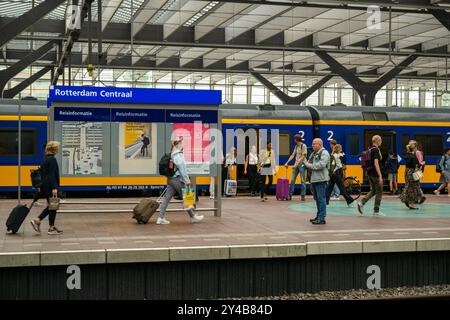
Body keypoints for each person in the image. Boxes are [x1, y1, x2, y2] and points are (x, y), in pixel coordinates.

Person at [157, 139, 204, 225]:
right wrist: (187, 180)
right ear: (178, 144)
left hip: (171, 179)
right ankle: (193, 217)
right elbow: (182, 169)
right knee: (187, 196)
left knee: (167, 198)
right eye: (181, 143)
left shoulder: (172, 153)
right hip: (177, 179)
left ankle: (160, 218)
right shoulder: (178, 154)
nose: (183, 144)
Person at [30, 141, 63, 235]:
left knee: (53, 206)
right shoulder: (52, 159)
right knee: (53, 206)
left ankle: (51, 226)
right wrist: (54, 187)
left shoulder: (45, 158)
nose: (58, 149)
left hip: (45, 185)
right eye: (57, 147)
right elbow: (51, 175)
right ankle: (38, 220)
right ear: (54, 149)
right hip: (50, 186)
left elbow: (44, 174)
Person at [304, 138, 330, 225]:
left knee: (321, 199)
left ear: (320, 144)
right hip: (315, 179)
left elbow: (321, 165)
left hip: (321, 179)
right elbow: (308, 162)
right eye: (313, 143)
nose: (313, 145)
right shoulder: (314, 153)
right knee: (317, 199)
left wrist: (308, 165)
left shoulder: (324, 153)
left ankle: (321, 218)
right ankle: (319, 216)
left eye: (314, 143)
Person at [357, 135, 384, 216]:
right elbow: (376, 163)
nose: (381, 142)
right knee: (379, 192)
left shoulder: (370, 149)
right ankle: (376, 211)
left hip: (369, 173)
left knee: (373, 190)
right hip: (375, 174)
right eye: (380, 141)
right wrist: (380, 176)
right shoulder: (375, 150)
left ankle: (362, 202)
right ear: (377, 141)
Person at [284, 134, 307, 201]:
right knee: (292, 179)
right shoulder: (296, 146)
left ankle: (303, 195)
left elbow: (303, 157)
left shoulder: (303, 146)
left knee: (302, 180)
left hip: (302, 164)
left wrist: (296, 164)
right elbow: (292, 155)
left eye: (294, 139)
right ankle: (290, 195)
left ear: (296, 140)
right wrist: (287, 162)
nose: (294, 140)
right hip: (296, 164)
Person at [400, 144, 422, 210]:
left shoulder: (407, 156)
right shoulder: (414, 157)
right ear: (414, 149)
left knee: (408, 186)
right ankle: (411, 203)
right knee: (414, 188)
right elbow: (416, 166)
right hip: (412, 172)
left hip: (407, 171)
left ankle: (405, 199)